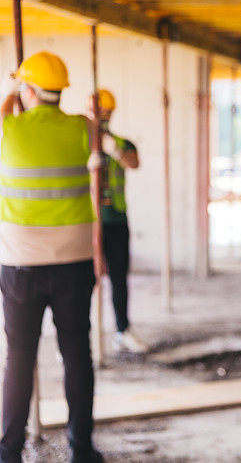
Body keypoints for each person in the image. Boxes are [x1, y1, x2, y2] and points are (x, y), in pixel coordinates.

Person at [0, 52, 103, 462]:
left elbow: (6, 110)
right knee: (77, 353)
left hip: (21, 265)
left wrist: (13, 94)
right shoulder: (82, 129)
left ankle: (8, 452)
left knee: (19, 358)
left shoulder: (9, 130)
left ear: (28, 90)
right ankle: (81, 448)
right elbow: (93, 126)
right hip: (74, 263)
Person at [86, 89, 148, 354]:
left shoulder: (122, 143)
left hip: (116, 220)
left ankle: (122, 330)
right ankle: (82, 336)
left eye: (105, 112)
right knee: (87, 280)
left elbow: (134, 163)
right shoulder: (81, 143)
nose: (101, 117)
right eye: (96, 111)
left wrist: (115, 151)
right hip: (88, 222)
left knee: (119, 278)